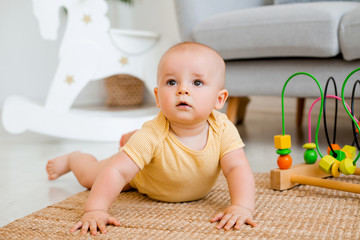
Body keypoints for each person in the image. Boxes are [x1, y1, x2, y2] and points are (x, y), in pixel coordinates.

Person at [46, 42, 257, 235]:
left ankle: (130, 140)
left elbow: (236, 168)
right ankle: (75, 158)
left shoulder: (222, 128)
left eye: (197, 82)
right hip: (139, 175)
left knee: (133, 151)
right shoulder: (153, 133)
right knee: (89, 177)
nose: (183, 90)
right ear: (157, 96)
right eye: (172, 82)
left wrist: (241, 206)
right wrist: (95, 209)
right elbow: (118, 172)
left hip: (155, 168)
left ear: (219, 99)